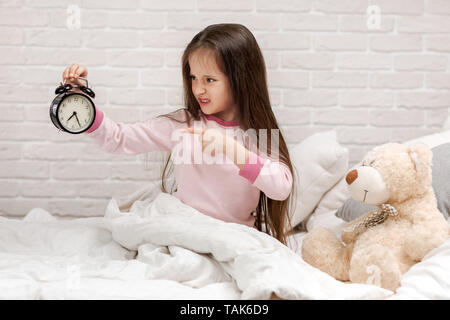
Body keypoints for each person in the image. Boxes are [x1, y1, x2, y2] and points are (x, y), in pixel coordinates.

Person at [62, 23, 297, 246]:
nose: (198, 89)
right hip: (184, 228)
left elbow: (281, 187)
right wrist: (81, 103)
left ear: (240, 79)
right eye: (194, 78)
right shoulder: (183, 125)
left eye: (210, 80)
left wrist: (232, 149)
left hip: (232, 235)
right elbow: (119, 139)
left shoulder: (257, 134)